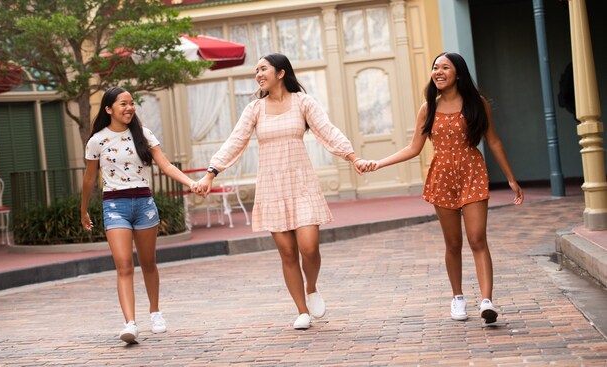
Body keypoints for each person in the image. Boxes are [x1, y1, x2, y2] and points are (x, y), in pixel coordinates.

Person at [196, 53, 367, 330]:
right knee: (288, 253)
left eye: (263, 69)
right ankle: (302, 311)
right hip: (272, 186)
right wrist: (211, 172)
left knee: (309, 248)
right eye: (256, 71)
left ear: (281, 73)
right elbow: (235, 141)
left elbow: (327, 131)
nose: (258, 74)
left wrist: (352, 156)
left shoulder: (303, 102)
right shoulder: (254, 109)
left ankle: (311, 287)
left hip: (302, 183)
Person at [364, 52, 524, 324]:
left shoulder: (477, 104)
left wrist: (510, 178)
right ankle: (458, 298)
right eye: (435, 68)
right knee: (453, 243)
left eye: (445, 68)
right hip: (442, 177)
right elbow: (414, 148)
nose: (438, 72)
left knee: (477, 238)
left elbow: (493, 141)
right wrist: (378, 163)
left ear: (458, 73)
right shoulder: (428, 108)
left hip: (472, 171)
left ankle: (487, 301)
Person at [81, 87, 200, 343]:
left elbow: (166, 165)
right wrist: (83, 211)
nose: (129, 108)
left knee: (148, 263)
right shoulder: (97, 141)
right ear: (108, 109)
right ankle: (130, 324)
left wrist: (191, 184)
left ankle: (155, 312)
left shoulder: (143, 135)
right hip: (114, 206)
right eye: (123, 104)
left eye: (132, 103)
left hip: (144, 204)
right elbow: (89, 178)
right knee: (124, 265)